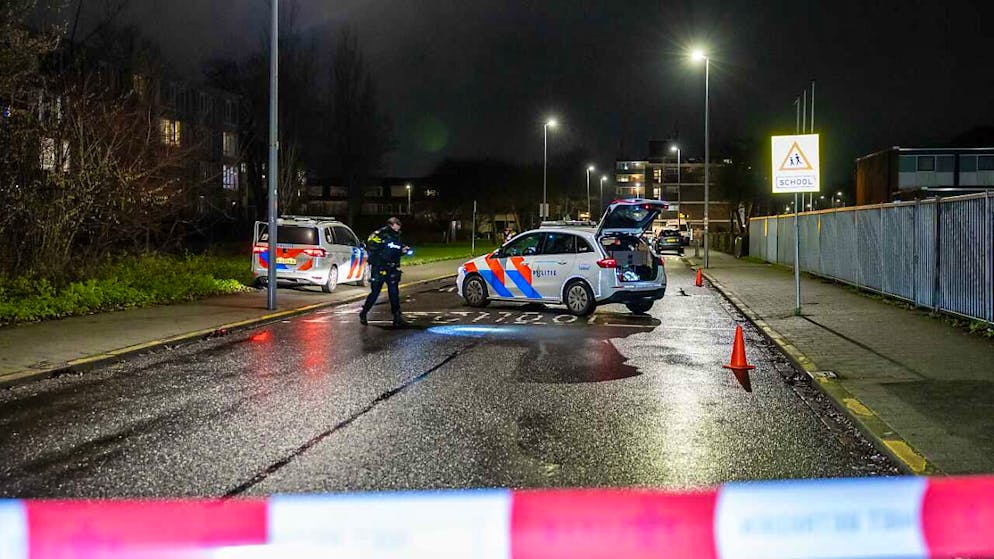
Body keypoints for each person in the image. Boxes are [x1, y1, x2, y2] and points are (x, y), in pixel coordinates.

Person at [359, 217, 410, 327]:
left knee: (394, 293)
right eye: (397, 225)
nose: (398, 228)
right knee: (375, 292)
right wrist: (399, 249)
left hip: (391, 267)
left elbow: (394, 250)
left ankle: (397, 317)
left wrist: (402, 250)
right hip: (379, 267)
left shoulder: (396, 235)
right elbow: (384, 248)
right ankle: (364, 312)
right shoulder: (381, 234)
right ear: (392, 225)